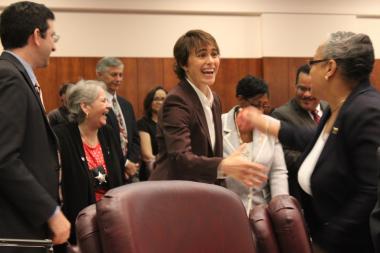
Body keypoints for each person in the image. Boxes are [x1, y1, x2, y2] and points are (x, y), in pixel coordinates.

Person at [237, 31, 380, 253]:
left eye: (313, 62)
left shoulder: (366, 110)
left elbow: (370, 193)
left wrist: (325, 242)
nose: (310, 69)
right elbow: (321, 145)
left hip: (353, 245)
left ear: (330, 68)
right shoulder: (339, 107)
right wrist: (266, 123)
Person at [149, 29, 268, 189]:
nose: (211, 61)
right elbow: (180, 158)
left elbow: (212, 155)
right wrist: (224, 165)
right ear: (184, 64)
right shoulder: (177, 100)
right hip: (174, 192)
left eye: (214, 54)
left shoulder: (215, 100)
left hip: (204, 191)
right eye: (202, 55)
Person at [0, 2, 70, 252]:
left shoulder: (15, 75)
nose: (55, 45)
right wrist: (50, 212)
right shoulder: (9, 77)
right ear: (36, 36)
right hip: (16, 227)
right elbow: (4, 158)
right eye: (53, 36)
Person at [53, 80, 125, 249]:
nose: (108, 106)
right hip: (77, 228)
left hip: (110, 221)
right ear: (85, 107)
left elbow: (120, 176)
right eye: (103, 101)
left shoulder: (108, 133)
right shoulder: (61, 137)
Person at [222, 75, 288, 211]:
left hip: (262, 211)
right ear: (240, 100)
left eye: (264, 106)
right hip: (227, 208)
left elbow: (278, 172)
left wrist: (280, 208)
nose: (261, 111)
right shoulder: (218, 124)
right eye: (256, 105)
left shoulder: (270, 125)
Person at [271, 64, 328, 197]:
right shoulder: (280, 115)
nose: (307, 94)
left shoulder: (330, 109)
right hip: (301, 195)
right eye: (302, 88)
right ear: (295, 86)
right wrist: (324, 159)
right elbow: (283, 155)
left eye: (311, 89)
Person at [96, 57, 140, 182]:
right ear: (99, 74)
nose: (118, 79)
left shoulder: (126, 105)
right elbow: (102, 140)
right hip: (108, 171)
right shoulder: (96, 105)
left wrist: (131, 162)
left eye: (121, 75)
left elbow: (135, 138)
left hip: (130, 172)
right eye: (114, 75)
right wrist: (124, 163)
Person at [137, 86, 167, 181]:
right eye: (156, 99)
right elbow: (147, 155)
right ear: (149, 102)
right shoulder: (142, 124)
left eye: (163, 99)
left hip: (171, 173)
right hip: (151, 174)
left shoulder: (172, 123)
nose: (160, 102)